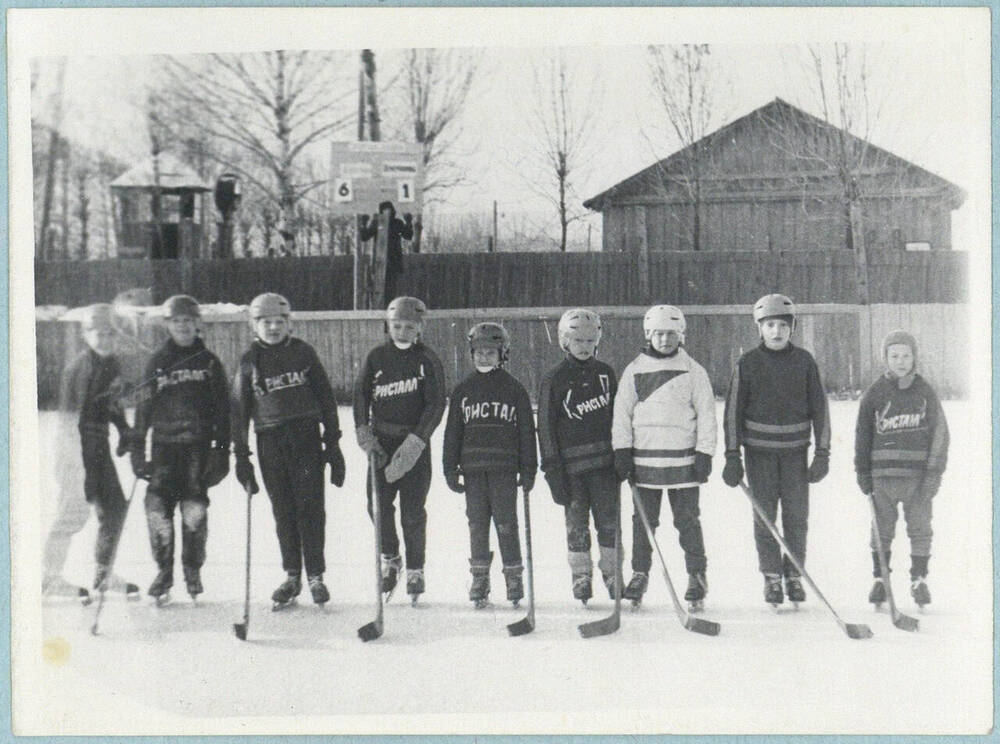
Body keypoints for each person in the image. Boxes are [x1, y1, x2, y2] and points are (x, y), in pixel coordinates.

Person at [231, 293, 345, 609]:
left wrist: (333, 444)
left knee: (310, 508)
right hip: (269, 441)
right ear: (255, 325)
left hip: (305, 437)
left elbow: (325, 399)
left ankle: (316, 576)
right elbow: (239, 410)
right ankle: (292, 575)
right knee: (283, 511)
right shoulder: (249, 360)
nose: (272, 327)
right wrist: (241, 456)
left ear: (288, 324)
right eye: (265, 322)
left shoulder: (303, 353)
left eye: (278, 322)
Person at [722, 294, 831, 607]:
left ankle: (794, 575)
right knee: (765, 519)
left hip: (796, 456)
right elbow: (732, 413)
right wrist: (732, 456)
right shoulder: (748, 363)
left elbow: (821, 410)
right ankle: (771, 577)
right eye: (770, 325)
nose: (776, 331)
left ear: (791, 328)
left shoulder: (804, 362)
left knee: (797, 518)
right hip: (760, 457)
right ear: (760, 328)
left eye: (783, 325)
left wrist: (823, 454)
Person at [612, 305, 717, 609]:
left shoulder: (693, 371)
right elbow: (622, 414)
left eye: (671, 333)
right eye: (659, 333)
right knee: (644, 523)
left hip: (683, 462)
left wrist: (705, 453)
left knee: (687, 521)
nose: (665, 339)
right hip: (645, 463)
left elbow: (707, 415)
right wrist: (622, 451)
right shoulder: (634, 370)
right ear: (648, 334)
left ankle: (697, 574)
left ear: (681, 335)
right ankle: (639, 573)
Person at [129, 295, 231, 604]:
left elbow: (224, 411)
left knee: (194, 511)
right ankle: (163, 571)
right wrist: (137, 450)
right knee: (157, 510)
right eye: (177, 322)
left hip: (197, 450)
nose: (183, 327)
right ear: (167, 325)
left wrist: (222, 451)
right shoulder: (156, 362)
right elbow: (143, 407)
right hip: (163, 450)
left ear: (198, 324)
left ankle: (192, 569)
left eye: (188, 321)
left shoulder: (210, 363)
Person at [43, 303, 139, 602]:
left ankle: (103, 572)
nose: (106, 339)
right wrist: (75, 462)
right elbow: (71, 419)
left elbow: (109, 404)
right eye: (99, 333)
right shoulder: (81, 368)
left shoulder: (110, 364)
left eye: (111, 334)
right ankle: (48, 578)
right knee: (73, 513)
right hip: (75, 448)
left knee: (114, 510)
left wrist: (123, 429)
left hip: (97, 447)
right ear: (86, 335)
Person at [353, 296, 446, 603]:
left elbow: (435, 403)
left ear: (419, 329)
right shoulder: (377, 357)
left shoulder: (427, 359)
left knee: (412, 511)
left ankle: (416, 568)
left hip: (413, 447)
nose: (402, 332)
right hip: (381, 444)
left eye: (409, 327)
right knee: (377, 505)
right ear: (388, 325)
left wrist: (417, 441)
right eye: (397, 326)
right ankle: (391, 558)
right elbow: (360, 396)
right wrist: (365, 434)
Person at [443, 323, 537, 608]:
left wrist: (529, 467)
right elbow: (452, 433)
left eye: (491, 352)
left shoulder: (514, 389)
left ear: (502, 354)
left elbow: (525, 432)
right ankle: (480, 577)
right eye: (479, 352)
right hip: (472, 470)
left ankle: (513, 575)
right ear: (471, 354)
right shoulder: (463, 390)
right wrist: (450, 467)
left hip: (504, 470)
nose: (484, 357)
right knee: (477, 523)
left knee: (507, 523)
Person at [854, 330, 949, 608]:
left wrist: (934, 473)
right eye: (894, 356)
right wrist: (862, 471)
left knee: (920, 528)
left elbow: (940, 434)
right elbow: (863, 435)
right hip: (882, 477)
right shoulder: (875, 393)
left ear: (914, 357)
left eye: (906, 355)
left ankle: (919, 579)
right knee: (881, 529)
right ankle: (880, 579)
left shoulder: (925, 392)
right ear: (885, 358)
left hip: (917, 480)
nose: (901, 361)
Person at [537, 309, 619, 604]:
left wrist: (622, 454)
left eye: (589, 340)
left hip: (605, 467)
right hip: (571, 471)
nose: (583, 346)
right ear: (564, 341)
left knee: (609, 522)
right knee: (576, 525)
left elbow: (618, 418)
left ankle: (612, 572)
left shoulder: (606, 374)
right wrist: (552, 470)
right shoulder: (554, 379)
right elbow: (545, 427)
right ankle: (581, 575)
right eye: (577, 340)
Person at [359, 201, 414, 307]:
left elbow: (408, 235)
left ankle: (388, 310)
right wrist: (364, 224)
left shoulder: (395, 223)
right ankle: (381, 311)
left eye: (389, 210)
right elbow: (364, 236)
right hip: (381, 262)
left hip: (392, 262)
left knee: (390, 292)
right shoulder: (378, 222)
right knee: (379, 292)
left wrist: (408, 222)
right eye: (385, 210)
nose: (387, 212)